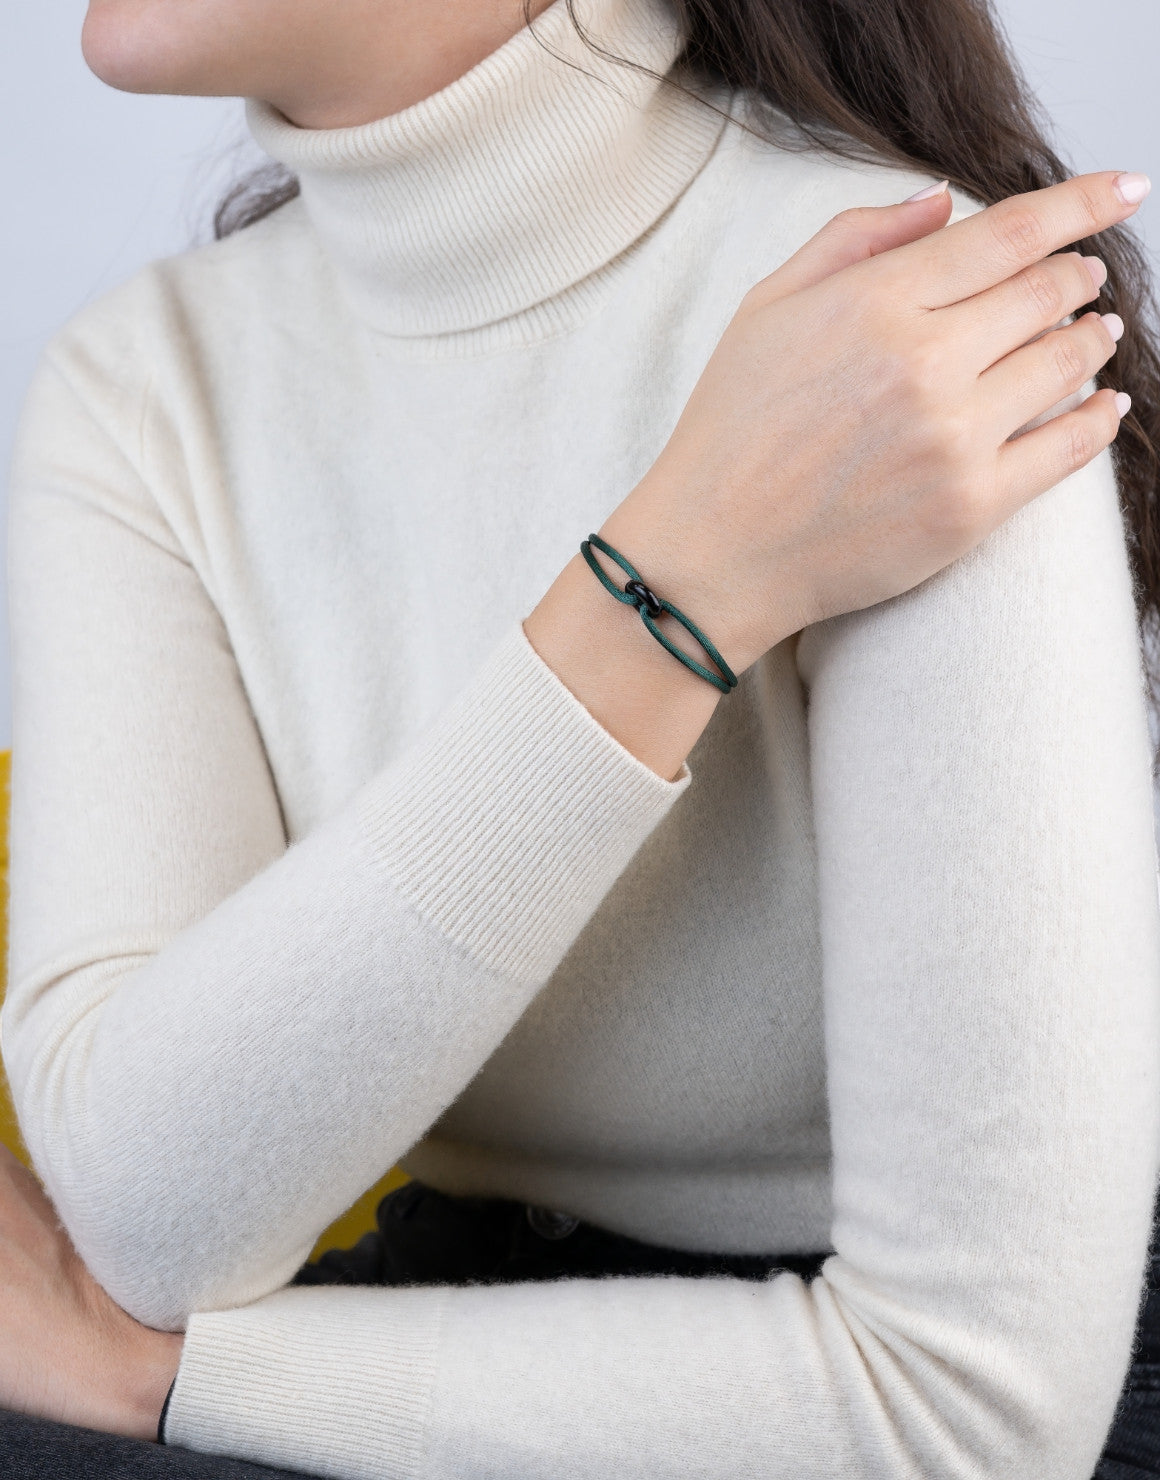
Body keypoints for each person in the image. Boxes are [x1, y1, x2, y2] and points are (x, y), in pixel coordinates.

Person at [1, 0, 1158, 1475]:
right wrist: (686, 573)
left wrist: (164, 1382)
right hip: (459, 1295)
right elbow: (148, 1220)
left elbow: (976, 1413)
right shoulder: (142, 386)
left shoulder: (909, 325)